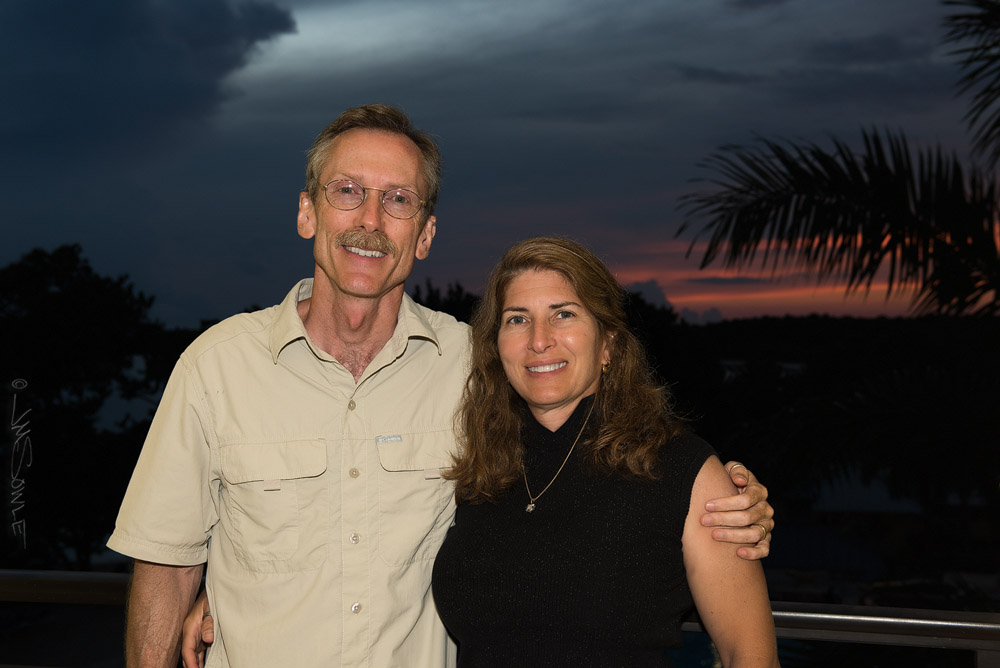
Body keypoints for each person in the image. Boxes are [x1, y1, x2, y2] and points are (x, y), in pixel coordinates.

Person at [109, 104, 774, 668]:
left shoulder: (474, 363)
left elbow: (592, 446)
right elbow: (166, 565)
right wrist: (220, 595)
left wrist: (727, 492)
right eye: (347, 191)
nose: (371, 219)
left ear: (424, 235)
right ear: (308, 213)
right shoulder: (216, 368)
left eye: (398, 199)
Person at [430, 237, 780, 667]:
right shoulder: (480, 469)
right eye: (517, 319)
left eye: (563, 314)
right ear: (497, 346)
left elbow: (748, 656)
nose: (539, 340)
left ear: (608, 343)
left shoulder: (681, 470)